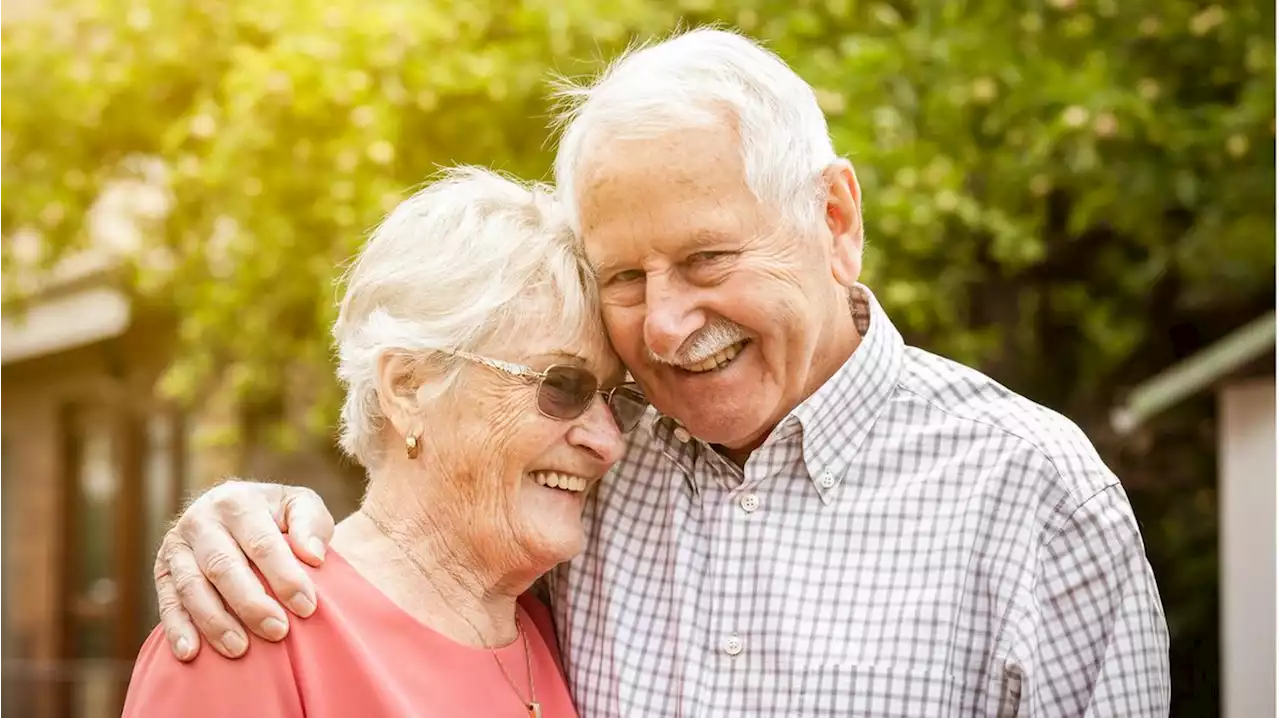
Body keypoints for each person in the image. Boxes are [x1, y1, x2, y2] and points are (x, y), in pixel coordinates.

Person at [150, 28, 1170, 717]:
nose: (669, 326)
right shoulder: (599, 472)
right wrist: (245, 518)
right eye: (626, 278)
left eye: (706, 259)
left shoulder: (1035, 495)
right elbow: (421, 527)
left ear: (833, 220)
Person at [123, 167, 649, 717]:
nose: (607, 442)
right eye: (563, 385)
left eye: (617, 399)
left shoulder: (552, 628)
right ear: (409, 386)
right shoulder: (247, 627)